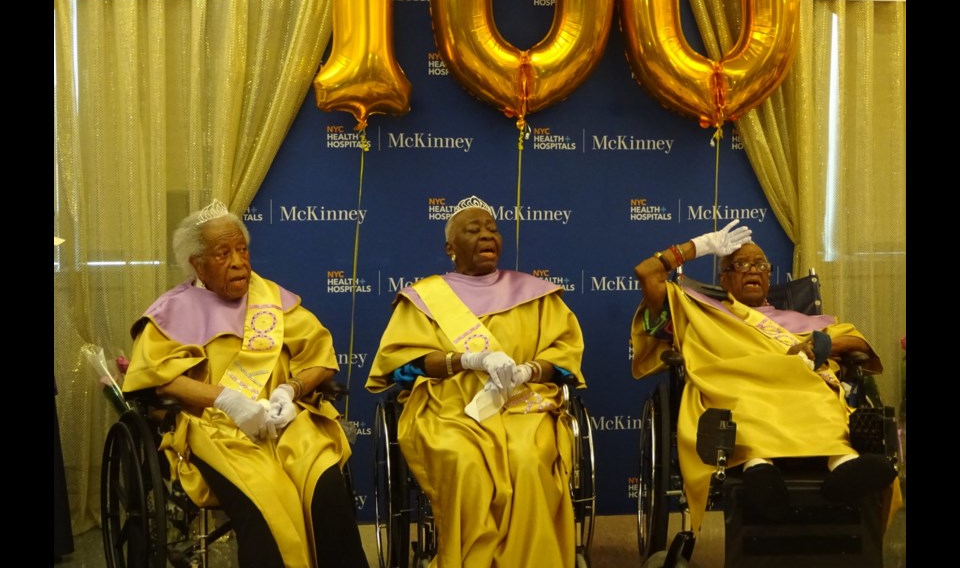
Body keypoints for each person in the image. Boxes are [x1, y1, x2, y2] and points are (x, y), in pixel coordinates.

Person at [121, 200, 368, 568]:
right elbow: (159, 379)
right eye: (223, 253)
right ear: (197, 263)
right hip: (217, 429)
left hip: (286, 423)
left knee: (326, 489)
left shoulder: (272, 299)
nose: (239, 261)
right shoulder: (172, 310)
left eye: (242, 249)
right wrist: (227, 401)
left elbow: (320, 358)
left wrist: (292, 390)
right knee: (265, 502)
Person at [631, 220, 900, 529]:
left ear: (770, 277)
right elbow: (647, 272)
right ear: (724, 278)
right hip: (737, 387)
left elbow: (857, 342)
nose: (753, 270)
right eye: (740, 264)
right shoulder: (700, 309)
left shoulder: (799, 320)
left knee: (820, 398)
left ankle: (844, 465)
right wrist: (702, 245)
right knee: (745, 404)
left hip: (800, 387)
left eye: (760, 264)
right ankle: (758, 468)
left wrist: (825, 342)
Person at [366, 195, 586, 567]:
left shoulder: (534, 294)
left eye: (492, 229)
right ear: (451, 247)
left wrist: (530, 371)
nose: (487, 236)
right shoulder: (424, 298)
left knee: (529, 460)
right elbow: (403, 366)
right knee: (465, 463)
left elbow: (563, 359)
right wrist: (467, 359)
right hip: (451, 409)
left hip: (521, 405)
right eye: (474, 230)